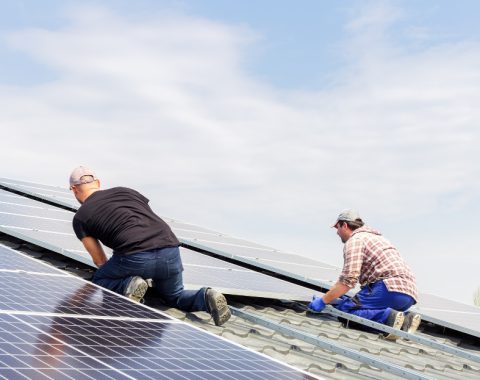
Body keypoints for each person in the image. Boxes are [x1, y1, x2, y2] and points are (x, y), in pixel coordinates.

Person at [69, 166, 231, 326]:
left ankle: (129, 285)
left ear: (74, 189)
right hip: (170, 249)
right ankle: (206, 296)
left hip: (135, 255)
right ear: (97, 182)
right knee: (174, 296)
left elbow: (100, 261)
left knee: (100, 278)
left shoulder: (81, 217)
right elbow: (146, 217)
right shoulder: (127, 191)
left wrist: (122, 275)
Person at [308, 209, 421, 339]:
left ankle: (387, 317)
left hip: (387, 289)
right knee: (354, 304)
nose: (337, 232)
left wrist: (323, 300)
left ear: (344, 225)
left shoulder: (355, 240)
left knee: (345, 311)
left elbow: (348, 280)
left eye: (337, 227)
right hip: (408, 295)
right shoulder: (379, 238)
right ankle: (406, 318)